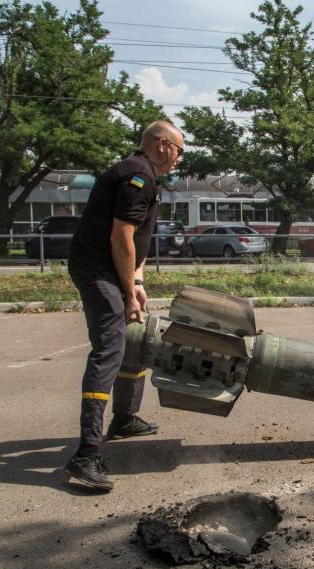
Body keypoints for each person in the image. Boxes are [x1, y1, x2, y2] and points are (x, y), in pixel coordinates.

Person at [64, 120, 184, 491]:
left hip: (113, 270)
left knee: (135, 334)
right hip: (99, 269)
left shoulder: (145, 175)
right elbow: (122, 236)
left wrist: (136, 281)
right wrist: (128, 290)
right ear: (162, 145)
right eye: (179, 151)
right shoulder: (137, 176)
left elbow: (140, 240)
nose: (180, 159)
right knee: (110, 347)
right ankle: (86, 454)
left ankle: (125, 418)